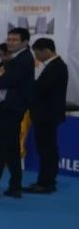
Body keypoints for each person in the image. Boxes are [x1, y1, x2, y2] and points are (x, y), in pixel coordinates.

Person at [0, 27, 36, 198]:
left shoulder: (23, 59)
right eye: (9, 39)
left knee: (0, 148)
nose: (10, 42)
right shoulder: (15, 58)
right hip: (8, 107)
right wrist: (0, 75)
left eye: (15, 40)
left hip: (12, 108)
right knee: (11, 148)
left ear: (25, 42)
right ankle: (14, 185)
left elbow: (4, 81)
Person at [26, 37, 69, 194]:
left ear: (47, 51)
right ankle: (44, 180)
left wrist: (30, 83)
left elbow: (43, 88)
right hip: (46, 114)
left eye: (37, 53)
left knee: (47, 150)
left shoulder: (57, 66)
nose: (36, 56)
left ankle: (46, 182)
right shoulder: (54, 66)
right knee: (46, 149)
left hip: (47, 115)